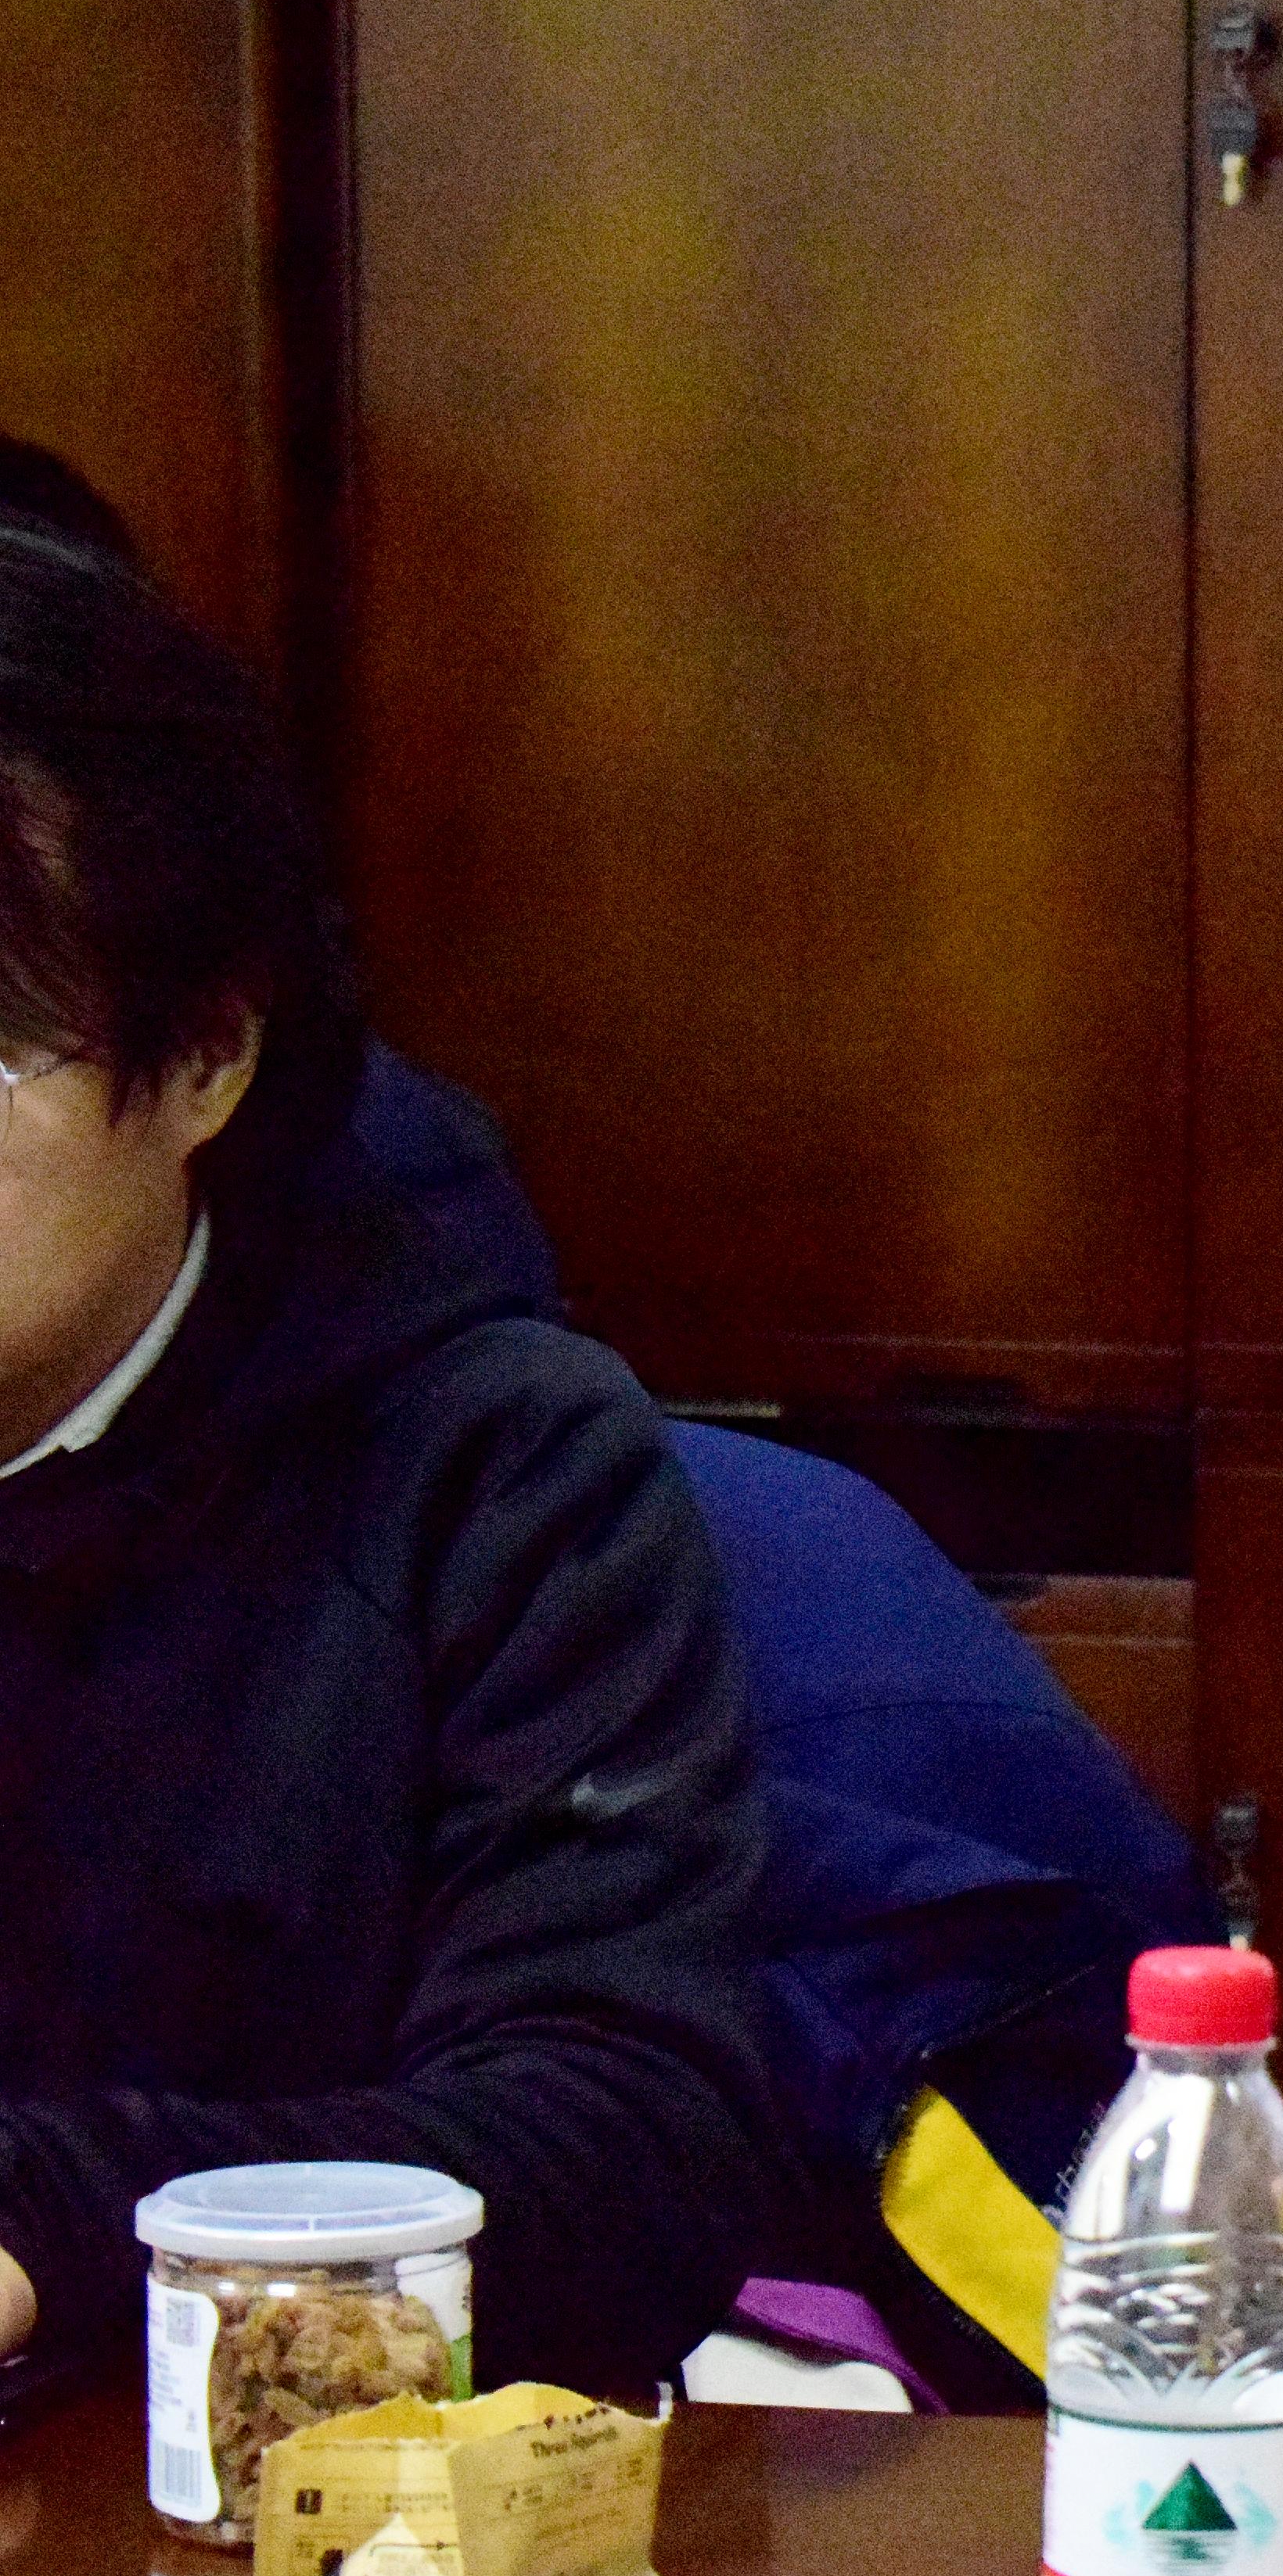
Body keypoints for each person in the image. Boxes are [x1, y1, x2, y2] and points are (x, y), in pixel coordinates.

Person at [0, 516, 782, 2404]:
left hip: (302, 2535)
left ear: (207, 1056)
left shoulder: (492, 1477)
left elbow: (621, 2152)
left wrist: (49, 2224)